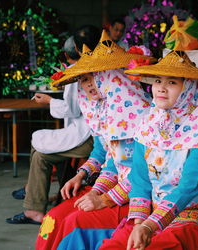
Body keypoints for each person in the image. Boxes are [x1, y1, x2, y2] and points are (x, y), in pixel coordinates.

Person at [35, 30, 154, 250]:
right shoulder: (105, 112)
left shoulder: (140, 118)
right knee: (53, 217)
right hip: (120, 190)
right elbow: (110, 161)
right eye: (82, 79)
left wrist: (103, 198)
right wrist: (92, 185)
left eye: (93, 77)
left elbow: (144, 175)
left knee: (72, 222)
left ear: (110, 78)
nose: (88, 84)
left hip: (143, 198)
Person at [98, 50, 198, 249]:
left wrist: (150, 226)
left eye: (172, 82)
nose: (161, 89)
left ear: (189, 89)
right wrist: (140, 224)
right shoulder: (148, 127)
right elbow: (140, 180)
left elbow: (188, 187)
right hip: (151, 215)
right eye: (158, 81)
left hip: (192, 217)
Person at [5, 33, 99, 225]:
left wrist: (49, 101)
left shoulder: (79, 71)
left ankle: (33, 202)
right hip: (89, 134)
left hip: (91, 138)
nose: (90, 85)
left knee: (40, 153)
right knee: (39, 147)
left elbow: (71, 109)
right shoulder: (97, 70)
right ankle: (34, 194)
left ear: (68, 55)